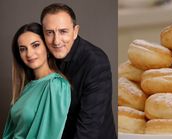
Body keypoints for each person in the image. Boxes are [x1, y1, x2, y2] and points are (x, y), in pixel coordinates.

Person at [40, 3, 117, 139]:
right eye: (49, 33)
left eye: (63, 31)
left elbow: (88, 130)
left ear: (75, 32)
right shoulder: (42, 56)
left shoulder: (96, 62)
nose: (56, 41)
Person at [2, 23, 71, 139]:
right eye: (23, 49)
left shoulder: (56, 86)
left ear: (47, 48)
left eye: (35, 45)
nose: (29, 54)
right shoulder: (27, 87)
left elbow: (48, 135)